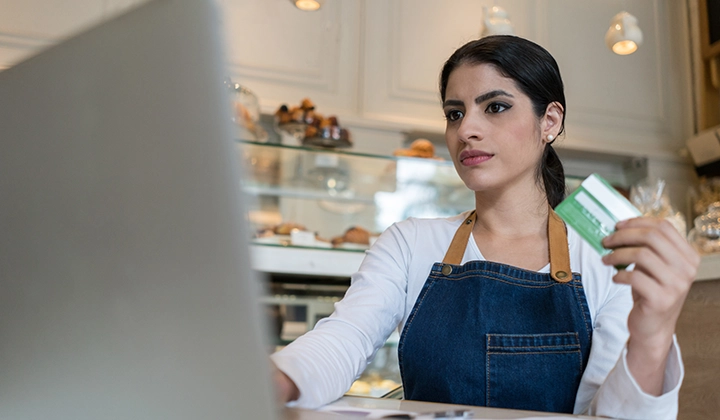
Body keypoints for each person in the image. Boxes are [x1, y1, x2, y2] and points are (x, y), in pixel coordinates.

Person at [271, 35, 700, 418]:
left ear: (549, 121)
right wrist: (273, 384)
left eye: (495, 107)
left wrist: (655, 331)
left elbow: (610, 415)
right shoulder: (410, 242)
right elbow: (343, 339)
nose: (467, 130)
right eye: (454, 114)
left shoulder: (607, 256)